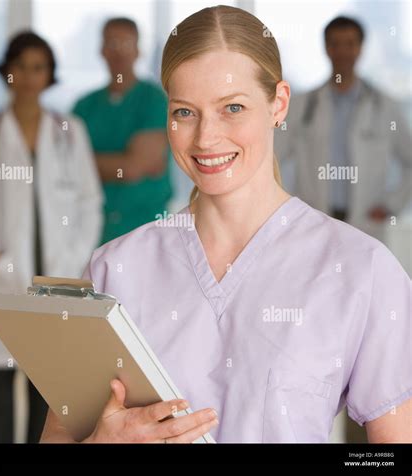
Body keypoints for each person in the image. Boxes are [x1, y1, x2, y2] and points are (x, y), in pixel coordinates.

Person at [41, 6, 411, 444]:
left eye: (232, 107)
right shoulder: (114, 269)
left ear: (278, 103)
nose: (205, 138)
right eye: (184, 112)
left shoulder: (361, 269)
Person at [0, 31, 104, 443]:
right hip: (3, 283)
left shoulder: (71, 130)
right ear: (8, 73)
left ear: (50, 74)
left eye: (40, 67)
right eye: (22, 67)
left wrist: (73, 258)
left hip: (57, 283)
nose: (31, 76)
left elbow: (90, 202)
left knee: (49, 406)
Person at [275, 16, 411, 241]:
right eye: (335, 44)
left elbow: (410, 161)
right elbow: (272, 159)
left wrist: (391, 205)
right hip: (314, 222)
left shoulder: (384, 107)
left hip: (366, 224)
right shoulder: (303, 106)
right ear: (326, 48)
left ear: (360, 48)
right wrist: (289, 205)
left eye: (350, 44)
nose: (342, 52)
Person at [73, 17, 172, 245]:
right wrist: (122, 162)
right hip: (91, 233)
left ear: (138, 51)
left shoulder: (153, 100)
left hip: (145, 232)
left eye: (126, 44)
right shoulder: (84, 107)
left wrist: (85, 163)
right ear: (102, 50)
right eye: (112, 44)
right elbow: (65, 170)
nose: (119, 52)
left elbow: (131, 169)